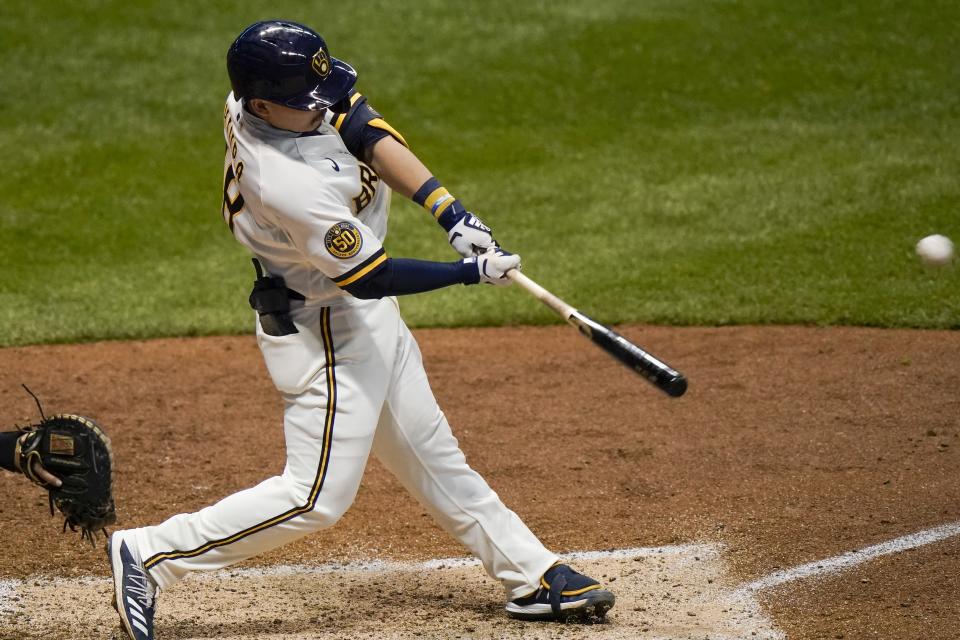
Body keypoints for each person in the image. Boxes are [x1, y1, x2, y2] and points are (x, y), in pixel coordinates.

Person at [108, 20, 615, 639]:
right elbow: (370, 276)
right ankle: (151, 553)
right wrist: (469, 271)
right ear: (262, 104)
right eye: (306, 103)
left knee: (433, 455)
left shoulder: (274, 99)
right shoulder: (286, 183)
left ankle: (530, 575)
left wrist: (448, 211)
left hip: (360, 316)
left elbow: (360, 122)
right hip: (326, 330)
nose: (321, 107)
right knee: (315, 495)